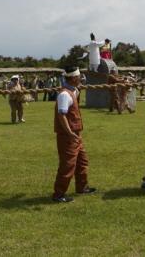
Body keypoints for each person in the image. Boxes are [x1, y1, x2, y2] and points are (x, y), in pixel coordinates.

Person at [52, 66, 96, 203]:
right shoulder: (65, 94)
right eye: (79, 77)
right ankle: (59, 194)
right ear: (73, 78)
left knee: (82, 161)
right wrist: (70, 133)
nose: (81, 79)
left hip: (75, 135)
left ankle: (82, 187)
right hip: (68, 135)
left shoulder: (73, 91)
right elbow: (62, 115)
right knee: (68, 165)